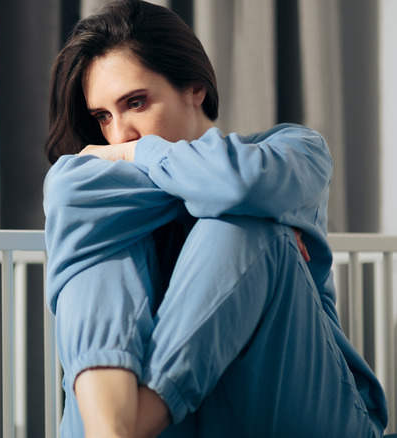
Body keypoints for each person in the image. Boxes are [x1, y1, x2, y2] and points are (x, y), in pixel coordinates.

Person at [42, 1, 388, 437]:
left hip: (302, 409)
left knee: (245, 220)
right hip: (189, 423)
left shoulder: (291, 150)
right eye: (103, 118)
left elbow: (244, 186)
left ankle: (131, 425)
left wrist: (139, 154)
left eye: (136, 102)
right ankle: (110, 427)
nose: (119, 134)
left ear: (194, 87)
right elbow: (67, 185)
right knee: (102, 245)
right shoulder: (99, 190)